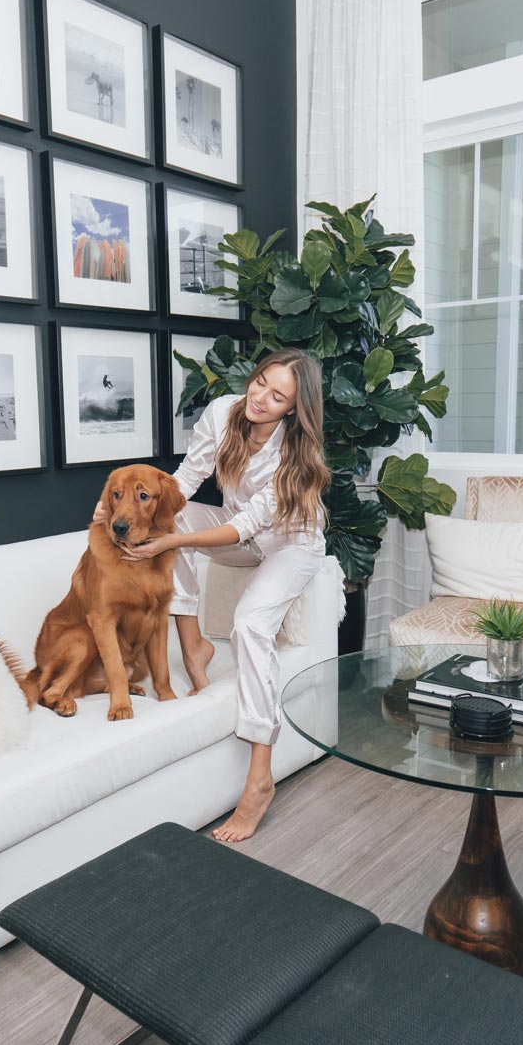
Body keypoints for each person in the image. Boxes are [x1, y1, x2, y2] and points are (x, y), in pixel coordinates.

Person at [104, 348, 329, 842]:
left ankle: (259, 778)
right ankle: (195, 649)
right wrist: (130, 517)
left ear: (293, 408)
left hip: (290, 543)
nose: (261, 398)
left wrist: (169, 540)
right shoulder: (222, 413)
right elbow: (183, 482)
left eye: (278, 396)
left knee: (249, 623)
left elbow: (243, 526)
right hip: (241, 537)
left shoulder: (296, 455)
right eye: (260, 383)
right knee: (174, 515)